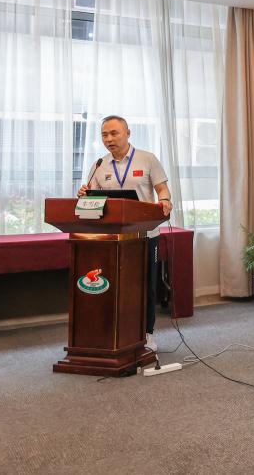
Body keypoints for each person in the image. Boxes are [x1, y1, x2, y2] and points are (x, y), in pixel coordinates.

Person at [77, 115, 171, 352]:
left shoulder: (147, 159)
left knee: (146, 286)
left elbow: (162, 189)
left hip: (145, 236)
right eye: (104, 135)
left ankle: (147, 333)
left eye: (114, 133)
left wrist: (165, 200)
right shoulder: (99, 165)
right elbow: (92, 201)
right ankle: (115, 333)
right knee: (116, 287)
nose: (109, 139)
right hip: (113, 239)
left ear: (128, 133)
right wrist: (84, 195)